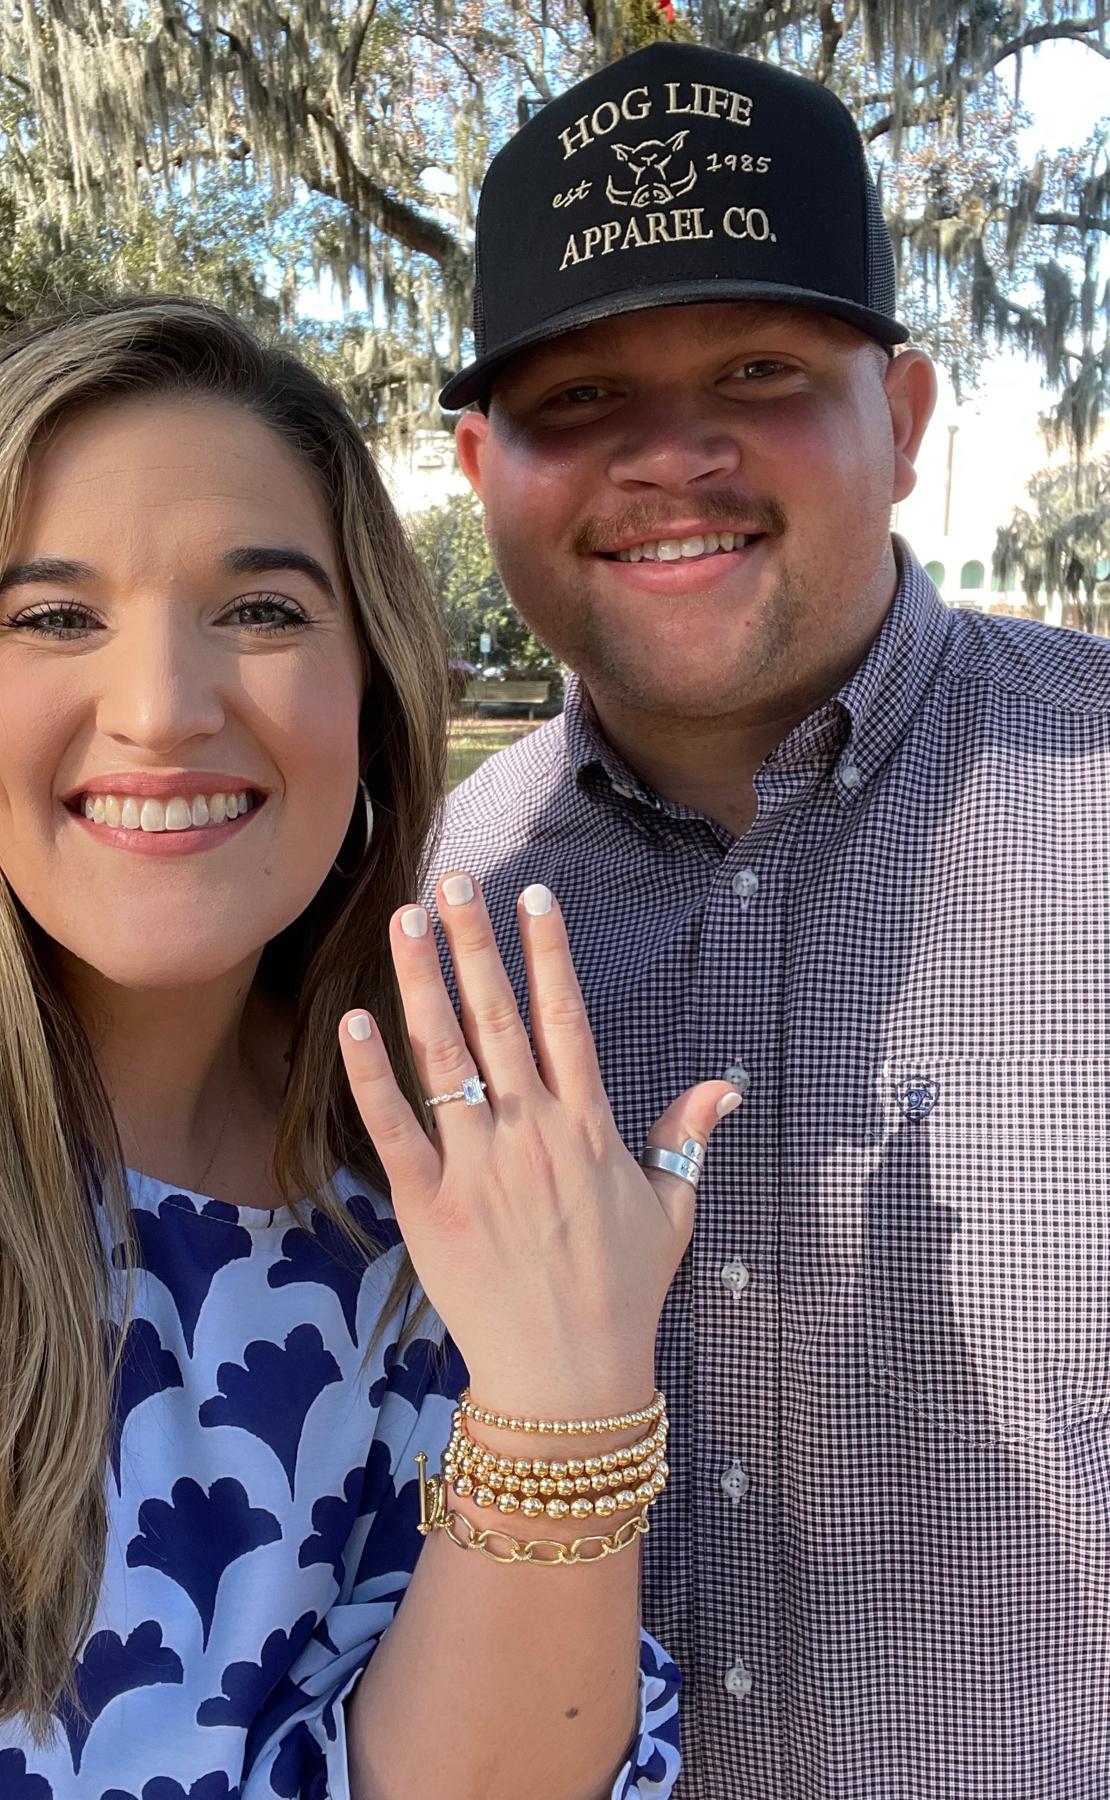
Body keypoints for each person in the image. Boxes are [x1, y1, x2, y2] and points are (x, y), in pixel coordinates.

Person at [0, 295, 740, 1800]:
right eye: (54, 615)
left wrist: (565, 1391)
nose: (160, 709)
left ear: (372, 691)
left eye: (263, 609)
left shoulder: (429, 1215)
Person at [433, 39, 1110, 1800]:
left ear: (898, 418)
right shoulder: (443, 906)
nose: (672, 455)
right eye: (576, 399)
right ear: (475, 464)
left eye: (757, 367)